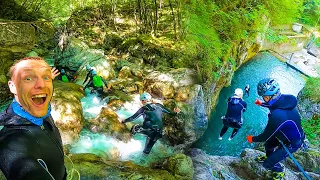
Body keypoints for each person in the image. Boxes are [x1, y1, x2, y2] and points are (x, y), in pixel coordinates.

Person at [0, 57, 67, 179]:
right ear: (13, 87)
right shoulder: (11, 143)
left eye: (46, 77)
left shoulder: (40, 107)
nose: (41, 84)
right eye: (28, 78)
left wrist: (42, 78)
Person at [247, 78, 305, 180]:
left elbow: (265, 136)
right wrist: (261, 103)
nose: (263, 98)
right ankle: (269, 156)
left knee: (267, 164)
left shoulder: (278, 116)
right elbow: (273, 105)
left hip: (292, 142)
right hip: (284, 133)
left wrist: (252, 139)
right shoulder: (284, 101)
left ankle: (279, 170)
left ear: (272, 96)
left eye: (264, 97)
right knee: (268, 145)